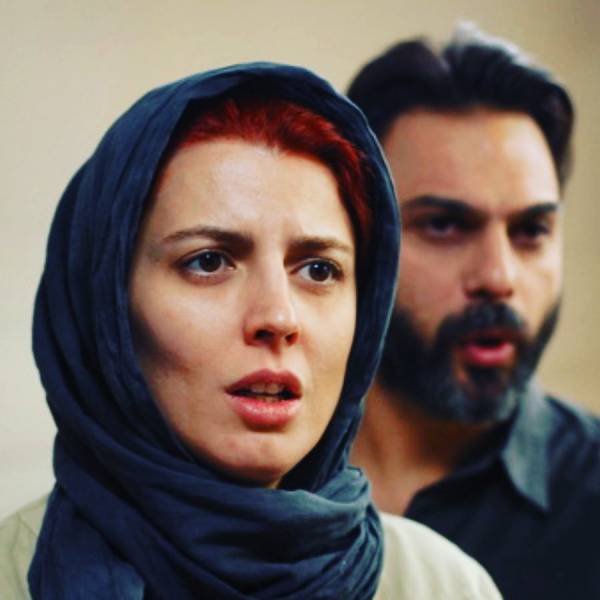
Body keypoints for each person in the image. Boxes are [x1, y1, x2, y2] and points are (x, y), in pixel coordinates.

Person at [0, 64, 501, 599]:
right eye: (209, 261)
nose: (278, 318)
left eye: (319, 270)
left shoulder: (444, 586)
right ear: (107, 308)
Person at [347, 25, 600, 600]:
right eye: (444, 225)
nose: (498, 277)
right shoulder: (245, 473)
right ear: (356, 236)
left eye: (531, 230)